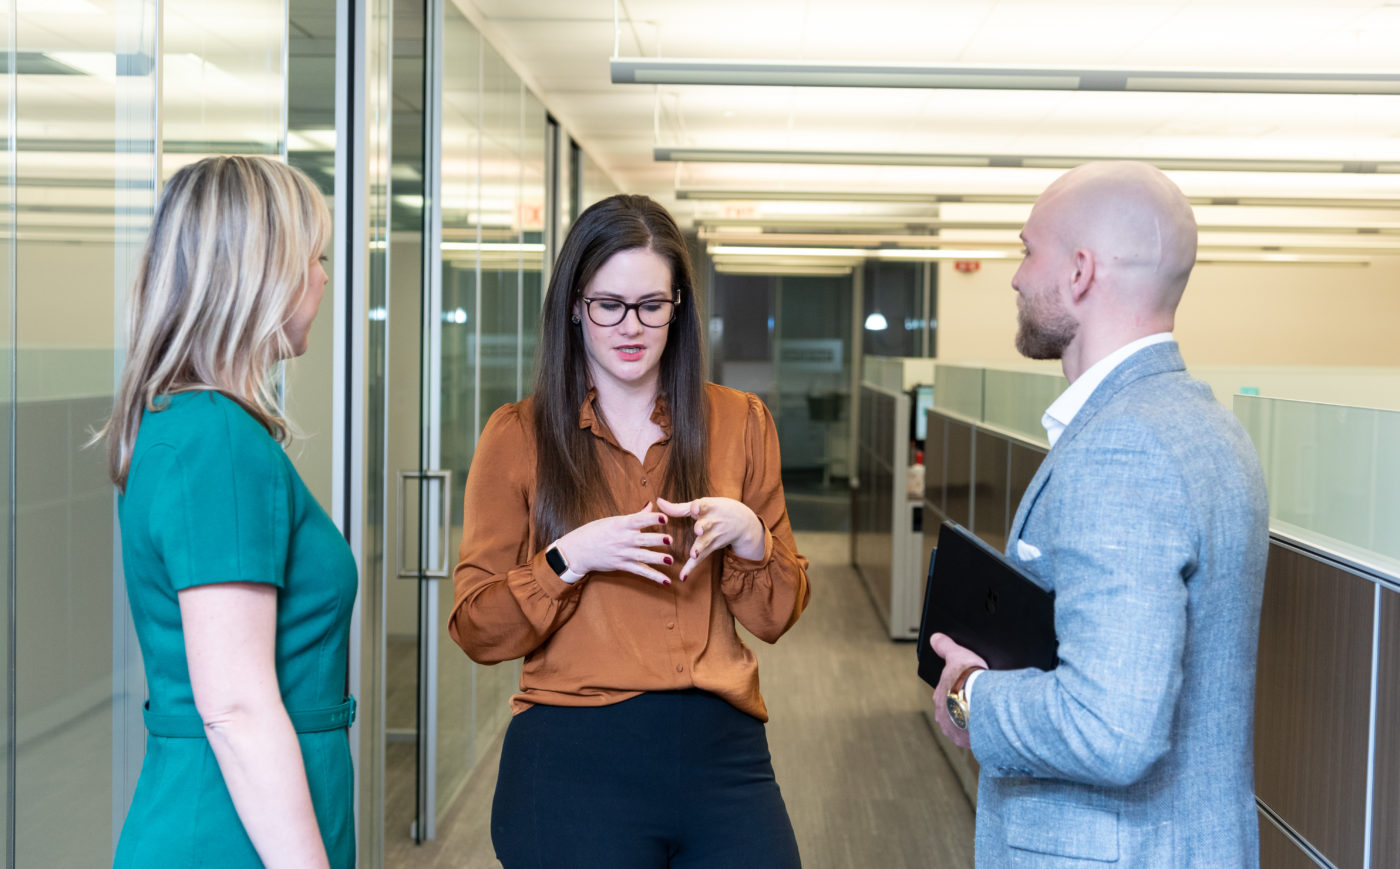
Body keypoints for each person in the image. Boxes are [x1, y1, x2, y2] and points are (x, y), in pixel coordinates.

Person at [449, 194, 809, 868]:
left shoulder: (740, 421)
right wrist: (567, 557)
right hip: (571, 752)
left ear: (679, 308)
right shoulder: (518, 435)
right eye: (608, 303)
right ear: (575, 305)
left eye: (652, 304)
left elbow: (777, 613)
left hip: (721, 750)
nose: (630, 325)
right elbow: (476, 628)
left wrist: (751, 536)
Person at [929, 161, 1269, 866]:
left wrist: (973, 695)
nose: (1017, 276)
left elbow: (1109, 725)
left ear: (1080, 272)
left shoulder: (1123, 447)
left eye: (1028, 250)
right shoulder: (1210, 426)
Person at [100, 155, 356, 868]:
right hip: (232, 830)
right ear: (264, 274)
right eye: (315, 257)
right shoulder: (215, 441)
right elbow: (237, 707)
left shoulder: (187, 426)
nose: (324, 278)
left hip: (240, 812)